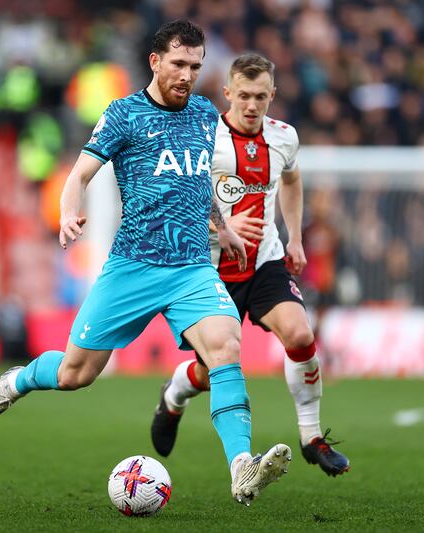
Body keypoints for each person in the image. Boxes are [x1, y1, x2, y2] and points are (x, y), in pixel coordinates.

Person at [0, 20, 291, 506]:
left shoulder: (205, 114)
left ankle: (241, 467)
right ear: (155, 62)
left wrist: (221, 227)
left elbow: (200, 183)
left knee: (225, 345)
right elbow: (79, 173)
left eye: (196, 66)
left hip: (191, 269)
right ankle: (14, 382)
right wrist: (68, 209)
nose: (187, 75)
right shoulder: (124, 114)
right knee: (75, 374)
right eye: (179, 64)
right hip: (133, 267)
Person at [150, 53, 350, 477]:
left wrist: (294, 237)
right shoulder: (202, 136)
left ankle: (311, 436)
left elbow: (292, 180)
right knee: (212, 371)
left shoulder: (283, 138)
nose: (252, 105)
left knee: (299, 333)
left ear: (272, 95)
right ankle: (175, 395)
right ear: (227, 93)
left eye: (261, 96)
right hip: (209, 270)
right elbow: (174, 196)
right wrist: (220, 225)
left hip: (265, 262)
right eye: (243, 95)